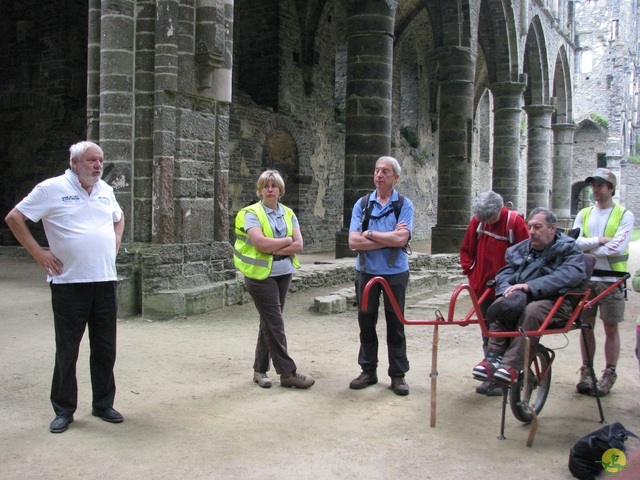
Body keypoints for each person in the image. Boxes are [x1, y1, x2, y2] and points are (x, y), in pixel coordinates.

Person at [4, 141, 125, 434]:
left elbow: (119, 219)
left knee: (105, 347)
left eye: (100, 160)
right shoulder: (51, 189)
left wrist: (115, 241)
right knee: (68, 349)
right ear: (74, 163)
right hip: (69, 283)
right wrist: (39, 254)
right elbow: (14, 217)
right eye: (91, 160)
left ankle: (103, 404)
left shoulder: (105, 191)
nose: (98, 165)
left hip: (105, 280)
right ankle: (63, 409)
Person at [472, 207, 587, 385]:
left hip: (557, 301)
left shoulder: (569, 250)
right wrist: (507, 291)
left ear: (552, 228)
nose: (532, 232)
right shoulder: (521, 249)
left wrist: (529, 287)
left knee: (532, 310)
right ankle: (493, 357)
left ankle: (511, 365)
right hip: (524, 298)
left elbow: (569, 275)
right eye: (530, 227)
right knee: (503, 304)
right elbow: (504, 274)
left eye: (538, 227)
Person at [233, 170, 315, 390]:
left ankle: (260, 371)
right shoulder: (250, 213)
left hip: (283, 272)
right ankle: (288, 372)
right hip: (260, 275)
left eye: (274, 186)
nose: (270, 189)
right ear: (260, 190)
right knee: (275, 322)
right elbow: (262, 244)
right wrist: (287, 240)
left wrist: (277, 244)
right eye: (265, 186)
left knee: (268, 322)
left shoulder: (288, 213)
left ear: (280, 190)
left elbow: (300, 245)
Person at [347, 156, 414, 395]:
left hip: (395, 273)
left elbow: (402, 239)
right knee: (366, 322)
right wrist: (388, 240)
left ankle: (398, 375)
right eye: (377, 170)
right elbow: (353, 242)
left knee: (396, 324)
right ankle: (368, 370)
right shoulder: (363, 204)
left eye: (385, 171)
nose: (379, 175)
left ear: (395, 178)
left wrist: (371, 234)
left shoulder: (404, 205)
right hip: (366, 273)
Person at [460, 191, 529, 396]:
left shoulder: (514, 223)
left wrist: (515, 283)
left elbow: (526, 255)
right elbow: (467, 250)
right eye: (483, 220)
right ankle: (490, 373)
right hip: (482, 287)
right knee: (487, 331)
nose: (487, 223)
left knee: (505, 331)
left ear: (499, 210)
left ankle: (506, 374)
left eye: (490, 219)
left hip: (507, 289)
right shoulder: (478, 223)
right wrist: (471, 272)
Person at [573, 168, 635, 396]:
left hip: (612, 280)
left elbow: (618, 246)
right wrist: (599, 240)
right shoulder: (584, 214)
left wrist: (589, 246)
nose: (596, 189)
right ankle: (586, 371)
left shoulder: (624, 215)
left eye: (600, 185)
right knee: (585, 326)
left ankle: (609, 372)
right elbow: (574, 244)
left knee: (611, 327)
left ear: (611, 188)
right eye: (593, 185)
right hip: (587, 280)